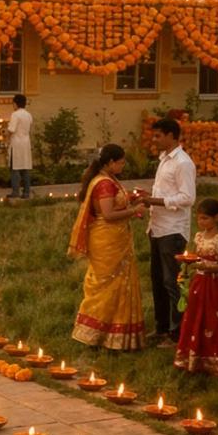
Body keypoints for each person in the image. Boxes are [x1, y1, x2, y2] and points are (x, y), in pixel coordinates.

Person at [68, 144, 147, 350]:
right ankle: (96, 334)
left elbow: (113, 204)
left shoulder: (107, 179)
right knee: (107, 285)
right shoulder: (104, 183)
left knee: (120, 284)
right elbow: (109, 214)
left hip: (115, 239)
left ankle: (113, 335)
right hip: (107, 241)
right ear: (110, 163)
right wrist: (134, 210)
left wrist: (131, 198)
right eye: (120, 162)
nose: (123, 165)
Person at [138, 117, 197, 344]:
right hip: (158, 227)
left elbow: (187, 197)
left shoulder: (183, 162)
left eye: (158, 135)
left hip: (173, 230)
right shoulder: (164, 159)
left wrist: (155, 200)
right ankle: (162, 327)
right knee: (158, 280)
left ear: (172, 135)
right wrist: (149, 197)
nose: (155, 140)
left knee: (172, 282)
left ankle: (176, 332)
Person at [173, 197, 218, 375]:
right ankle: (195, 358)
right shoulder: (199, 237)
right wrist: (187, 265)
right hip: (199, 283)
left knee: (215, 320)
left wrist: (210, 267)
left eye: (205, 218)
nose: (201, 222)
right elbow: (196, 257)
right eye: (199, 218)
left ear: (217, 217)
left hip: (216, 286)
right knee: (196, 318)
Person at [6, 94, 33, 199]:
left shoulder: (15, 115)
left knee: (15, 168)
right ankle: (26, 192)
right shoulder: (28, 115)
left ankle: (15, 191)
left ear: (16, 103)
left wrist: (4, 134)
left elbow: (11, 129)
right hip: (26, 143)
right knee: (25, 168)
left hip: (16, 143)